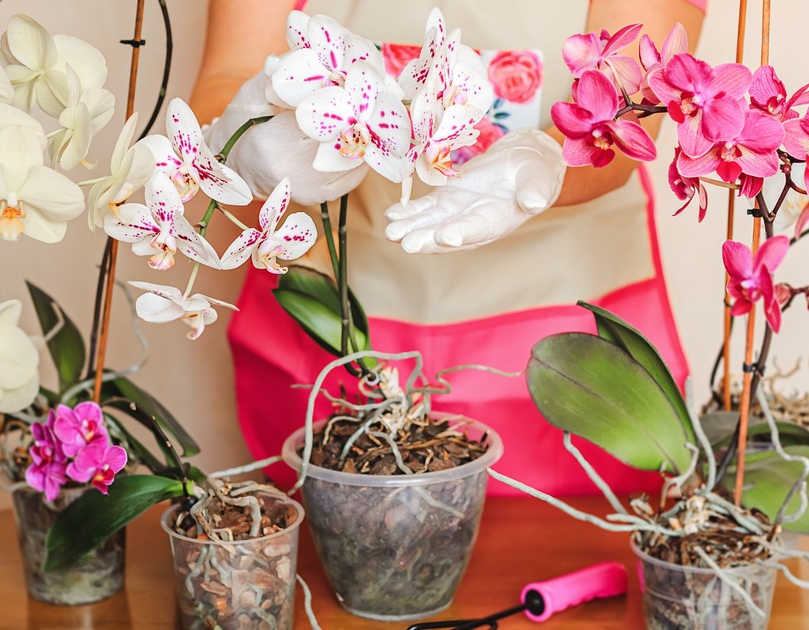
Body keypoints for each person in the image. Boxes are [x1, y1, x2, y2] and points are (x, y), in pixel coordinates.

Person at [191, 0, 706, 496]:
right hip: (337, 331)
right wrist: (245, 140)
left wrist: (547, 158)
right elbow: (225, 79)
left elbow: (631, 116)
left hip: (563, 352)